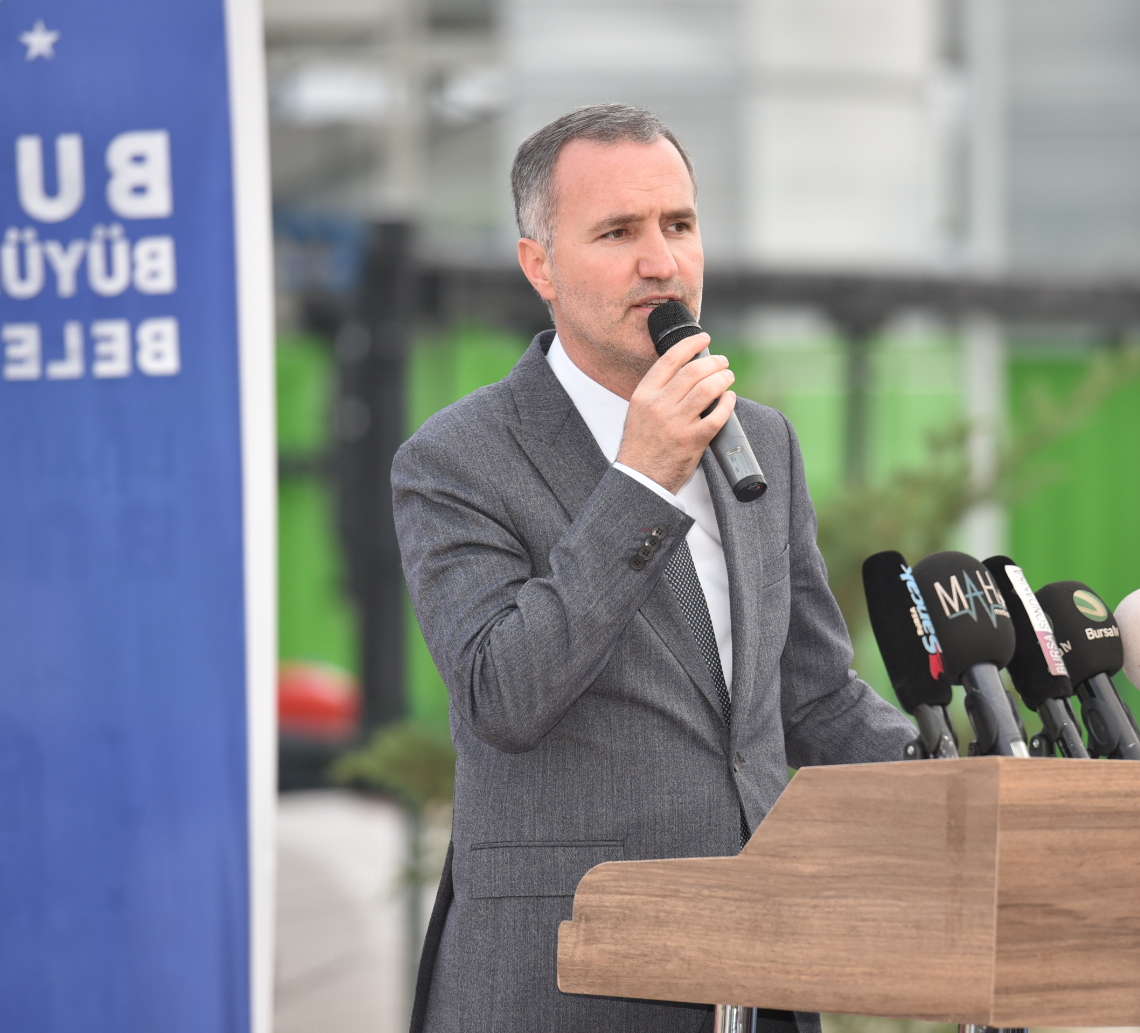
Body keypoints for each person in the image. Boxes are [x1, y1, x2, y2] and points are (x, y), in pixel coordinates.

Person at [392, 103, 918, 1033]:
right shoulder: (457, 460)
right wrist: (642, 480)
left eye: (678, 225)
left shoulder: (760, 441)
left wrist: (964, 779)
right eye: (618, 233)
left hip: (757, 968)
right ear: (540, 266)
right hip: (561, 979)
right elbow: (502, 694)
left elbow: (812, 697)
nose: (661, 262)